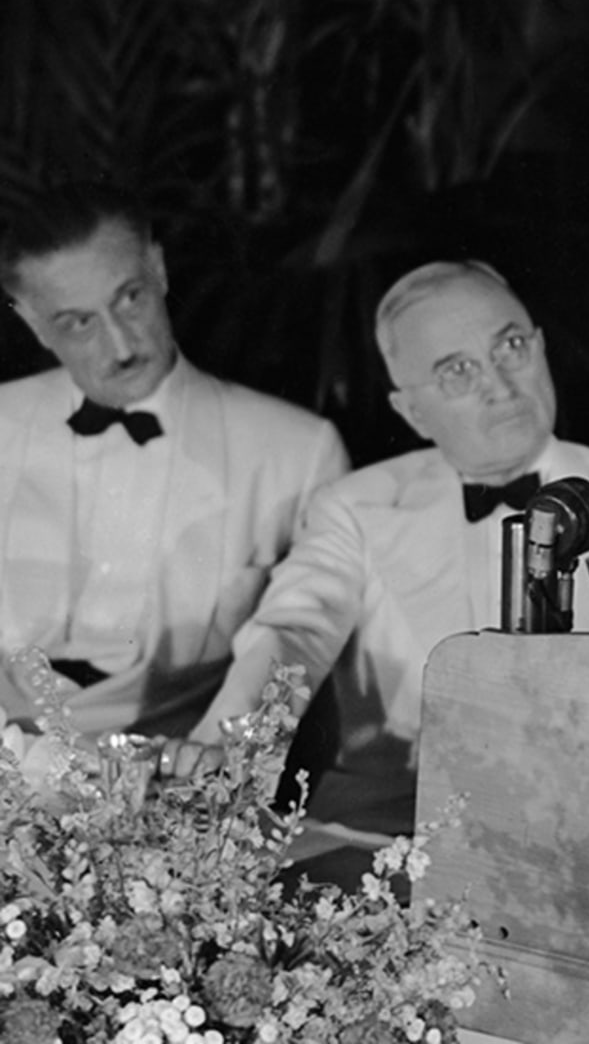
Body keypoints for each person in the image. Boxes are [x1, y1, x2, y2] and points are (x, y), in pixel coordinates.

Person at [189, 260, 589, 835]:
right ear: (411, 412)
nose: (500, 387)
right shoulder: (357, 509)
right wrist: (228, 757)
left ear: (542, 348)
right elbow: (294, 631)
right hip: (394, 830)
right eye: (457, 372)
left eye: (512, 347)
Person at [0, 180, 348, 739]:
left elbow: (301, 639)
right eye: (79, 323)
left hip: (179, 771)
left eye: (129, 297)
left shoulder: (297, 451)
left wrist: (206, 769)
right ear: (35, 325)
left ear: (159, 269)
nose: (120, 345)